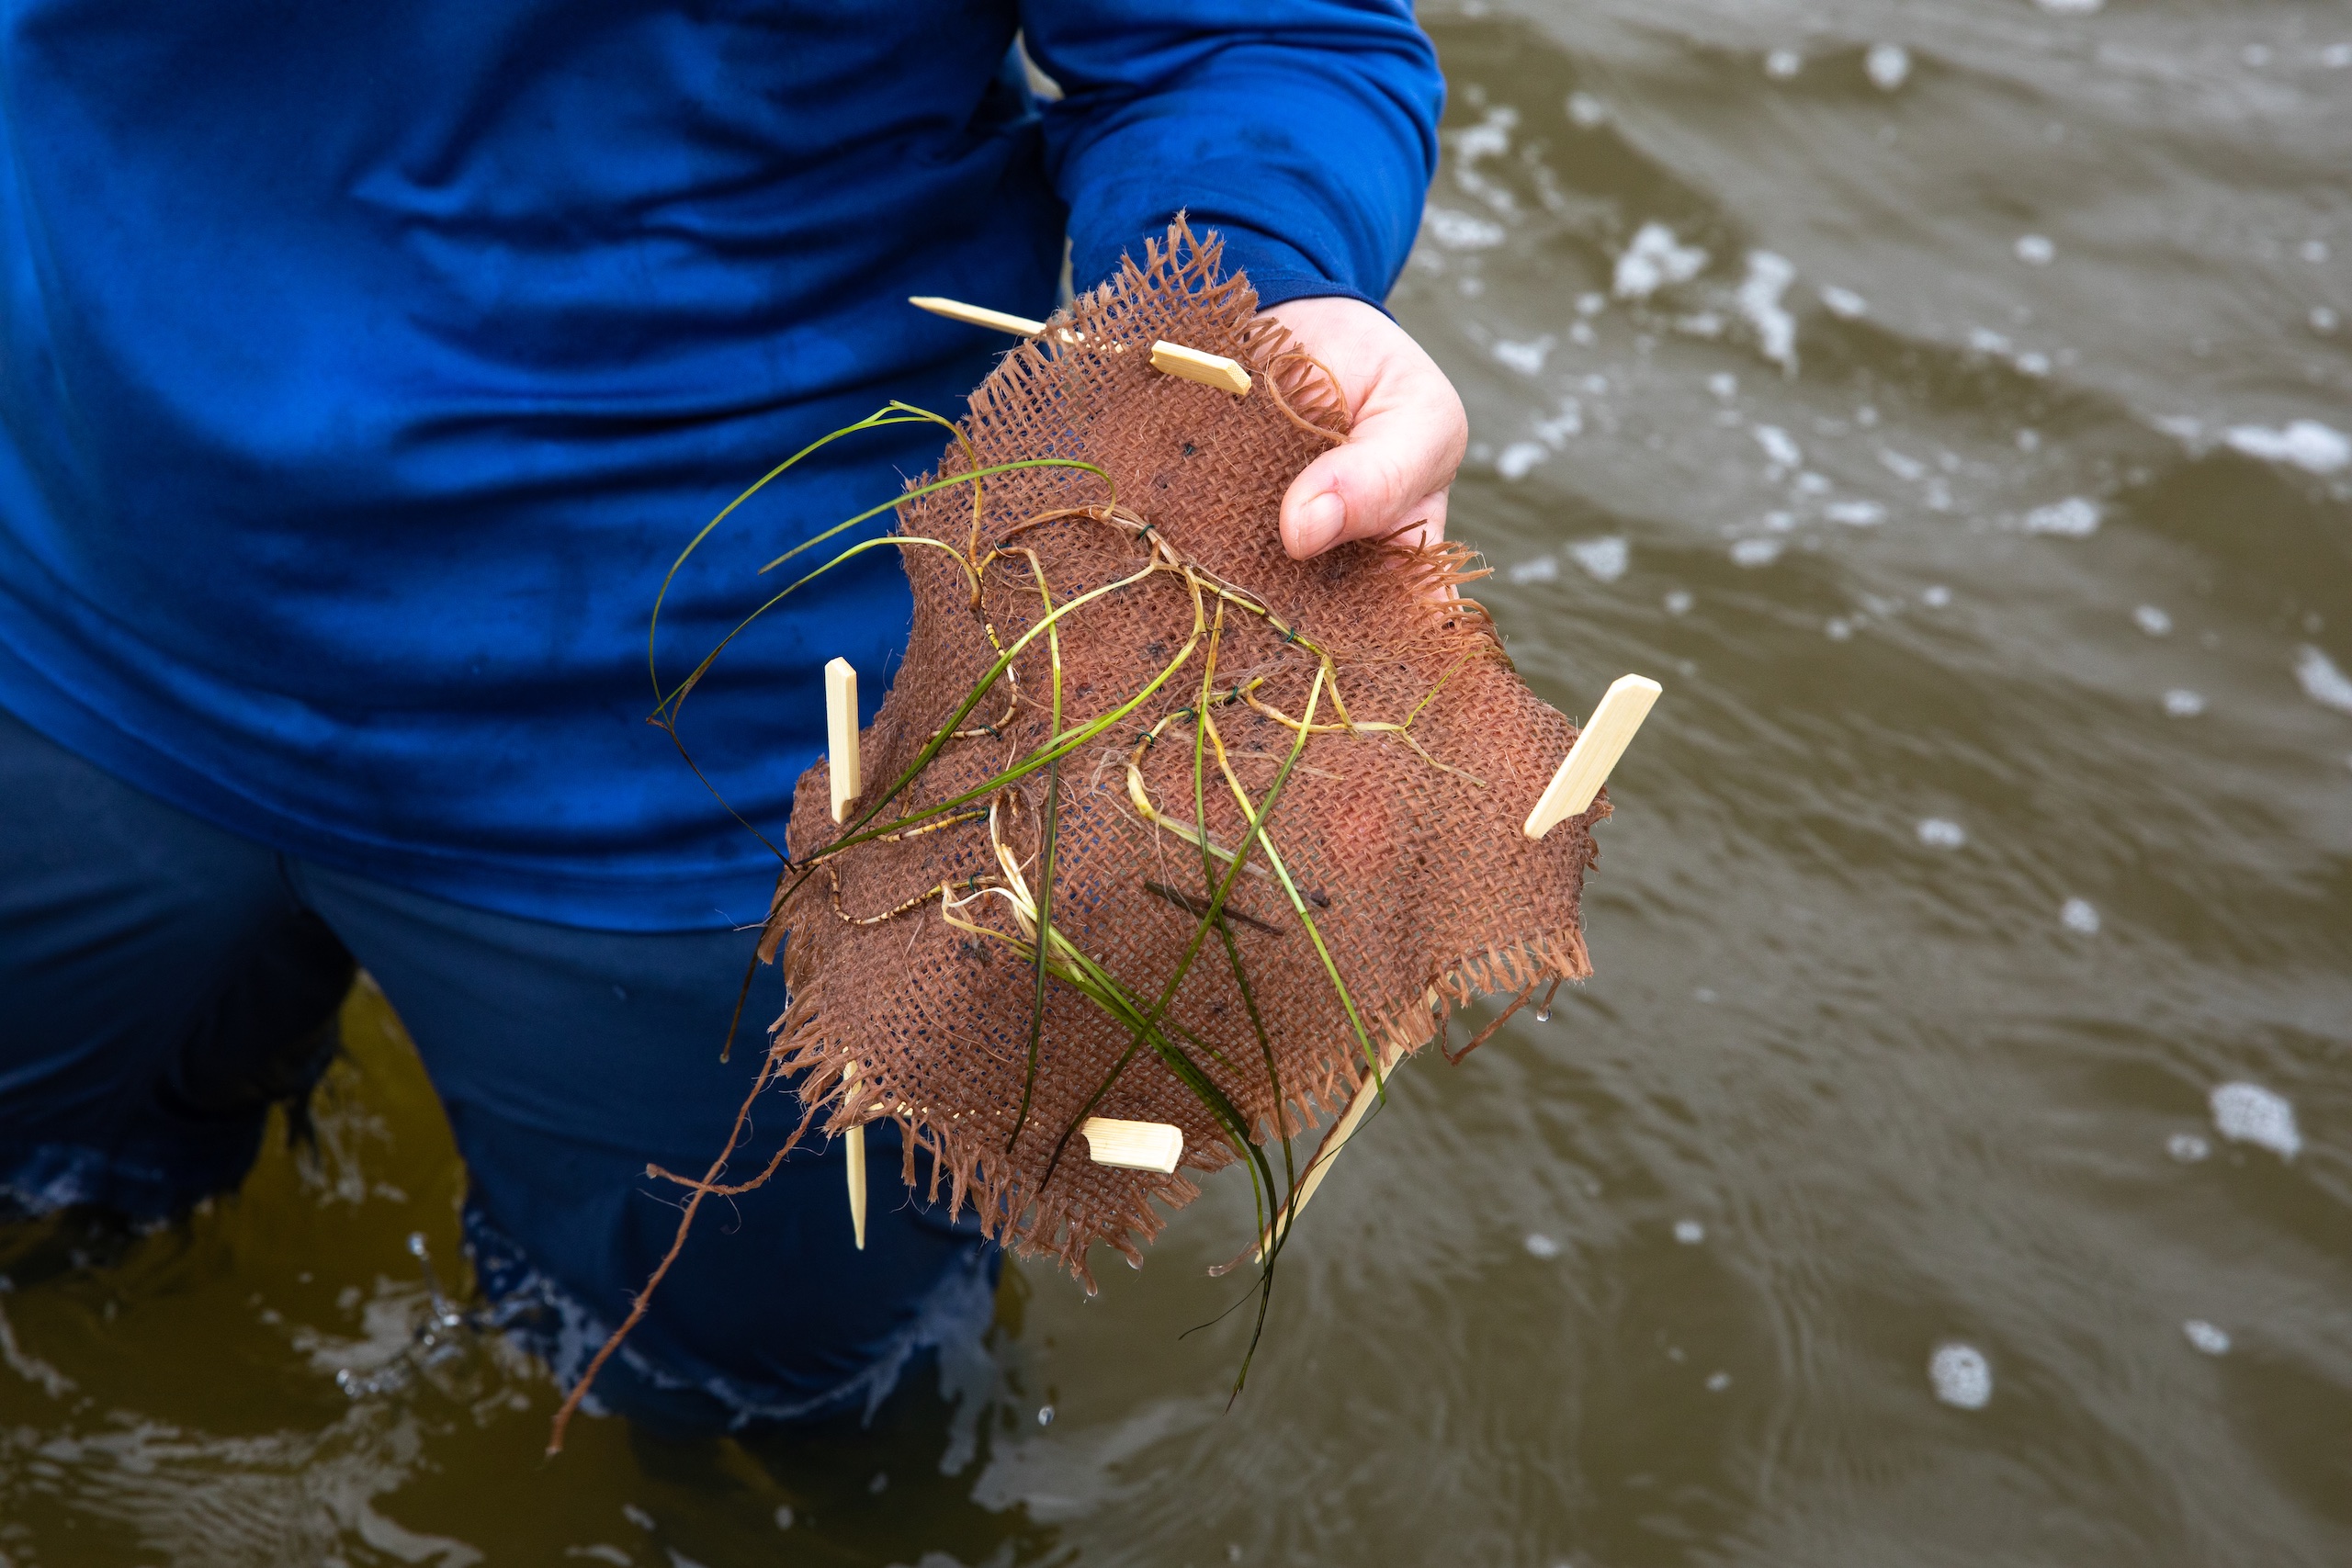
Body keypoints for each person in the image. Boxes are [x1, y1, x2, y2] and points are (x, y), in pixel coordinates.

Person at [0, 2, 1464, 1432]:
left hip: (741, 769)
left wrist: (1258, 293)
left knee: (782, 1442)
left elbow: (1244, 34)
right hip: (65, 587)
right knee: (47, 1258)